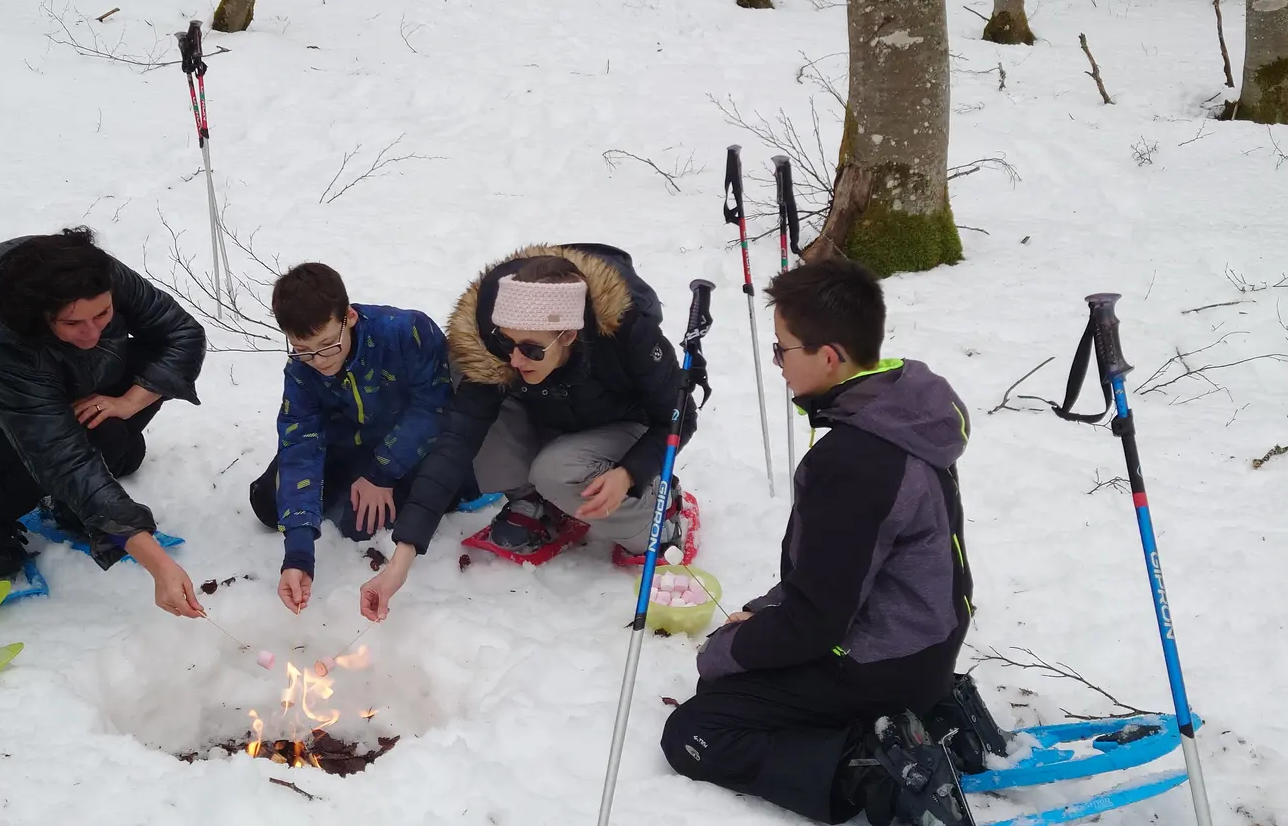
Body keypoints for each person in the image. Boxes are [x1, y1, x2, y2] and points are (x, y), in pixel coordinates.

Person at [659, 258, 976, 826]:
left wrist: (726, 652)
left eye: (783, 349)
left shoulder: (853, 461)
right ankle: (928, 711)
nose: (777, 363)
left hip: (886, 667)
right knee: (752, 661)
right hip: (928, 645)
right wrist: (763, 614)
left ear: (828, 357)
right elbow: (850, 571)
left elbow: (817, 623)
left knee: (696, 729)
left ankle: (870, 769)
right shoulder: (904, 411)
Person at [359, 243, 695, 621]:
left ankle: (660, 505)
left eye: (531, 349)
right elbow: (455, 445)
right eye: (506, 342)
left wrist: (630, 471)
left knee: (557, 470)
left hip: (625, 425)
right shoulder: (500, 355)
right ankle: (535, 499)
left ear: (568, 335)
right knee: (464, 381)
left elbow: (679, 416)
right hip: (552, 419)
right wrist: (398, 565)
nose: (515, 360)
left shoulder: (625, 332)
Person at [0, 228, 208, 618]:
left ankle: (84, 496)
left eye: (103, 314)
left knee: (110, 439)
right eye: (74, 324)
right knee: (90, 444)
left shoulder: (91, 273)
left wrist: (130, 401)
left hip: (57, 385)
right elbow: (59, 454)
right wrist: (158, 564)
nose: (94, 333)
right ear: (39, 316)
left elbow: (180, 332)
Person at [248, 263, 455, 613]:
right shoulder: (302, 370)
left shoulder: (407, 332)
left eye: (328, 344)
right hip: (346, 446)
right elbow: (300, 446)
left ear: (350, 316)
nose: (318, 360)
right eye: (303, 348)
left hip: (408, 443)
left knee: (369, 522)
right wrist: (298, 554)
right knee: (269, 502)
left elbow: (433, 406)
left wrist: (381, 472)